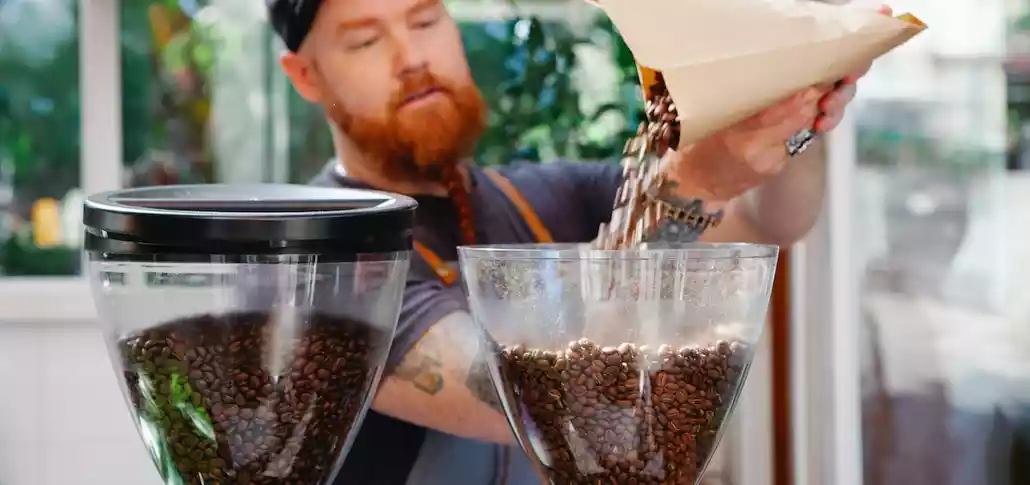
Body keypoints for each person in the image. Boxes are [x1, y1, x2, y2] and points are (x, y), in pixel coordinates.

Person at [267, 0, 889, 482]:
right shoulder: (325, 260)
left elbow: (770, 220)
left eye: (425, 19)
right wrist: (691, 186)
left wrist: (795, 112)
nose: (410, 56)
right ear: (305, 75)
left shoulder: (545, 199)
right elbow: (551, 399)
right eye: (366, 39)